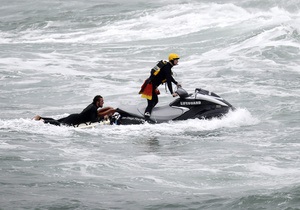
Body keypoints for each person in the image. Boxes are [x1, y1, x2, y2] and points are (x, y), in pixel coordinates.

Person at [139, 53, 181, 120]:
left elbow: (169, 77)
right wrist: (172, 93)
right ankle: (146, 118)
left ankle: (149, 113)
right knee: (151, 103)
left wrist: (176, 83)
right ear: (172, 60)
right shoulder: (167, 68)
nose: (177, 61)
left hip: (151, 85)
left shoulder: (167, 66)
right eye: (176, 60)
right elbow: (168, 81)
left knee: (155, 101)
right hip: (150, 86)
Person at [33, 95, 115, 126]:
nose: (103, 102)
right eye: (102, 101)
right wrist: (103, 118)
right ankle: (42, 121)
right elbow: (93, 119)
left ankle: (40, 118)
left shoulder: (92, 106)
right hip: (75, 119)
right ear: (97, 102)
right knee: (59, 124)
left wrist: (109, 109)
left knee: (57, 121)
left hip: (74, 116)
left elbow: (97, 113)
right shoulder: (93, 108)